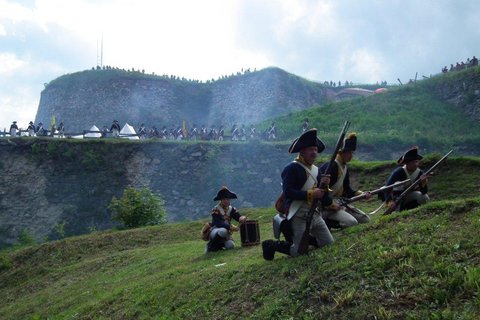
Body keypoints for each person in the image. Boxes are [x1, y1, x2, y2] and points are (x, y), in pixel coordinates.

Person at [262, 128, 334, 260]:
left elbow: (325, 200)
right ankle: (272, 245)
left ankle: (307, 240)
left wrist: (325, 185)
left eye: (315, 149)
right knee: (299, 252)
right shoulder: (291, 168)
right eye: (310, 149)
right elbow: (289, 192)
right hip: (298, 215)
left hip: (315, 215)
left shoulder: (317, 171)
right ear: (302, 151)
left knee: (328, 244)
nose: (314, 152)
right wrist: (312, 193)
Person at [320, 133, 371, 229]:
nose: (351, 155)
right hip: (327, 206)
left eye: (352, 152)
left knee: (365, 219)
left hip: (340, 202)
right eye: (349, 152)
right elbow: (320, 191)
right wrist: (330, 204)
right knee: (352, 222)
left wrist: (362, 194)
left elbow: (347, 189)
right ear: (341, 152)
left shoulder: (344, 167)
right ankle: (329, 223)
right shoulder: (331, 166)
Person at [383, 147, 429, 212]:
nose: (415, 164)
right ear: (407, 163)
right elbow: (388, 187)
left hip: (408, 196)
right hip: (396, 197)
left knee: (425, 197)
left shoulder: (420, 173)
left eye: (416, 162)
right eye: (413, 162)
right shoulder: (399, 172)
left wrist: (423, 182)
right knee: (398, 184)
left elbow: (424, 192)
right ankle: (396, 210)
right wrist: (390, 201)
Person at [206, 187, 247, 253]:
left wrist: (241, 218)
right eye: (224, 199)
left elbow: (237, 216)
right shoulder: (216, 209)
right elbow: (217, 223)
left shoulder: (231, 209)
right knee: (223, 231)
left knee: (230, 245)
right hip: (216, 230)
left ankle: (220, 246)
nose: (226, 201)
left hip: (227, 231)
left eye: (227, 199)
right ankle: (211, 246)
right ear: (221, 200)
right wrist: (230, 227)